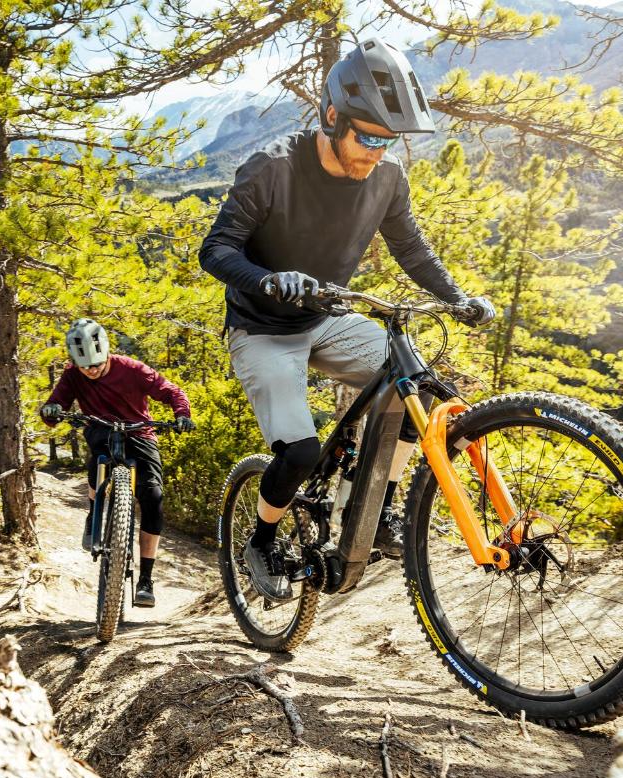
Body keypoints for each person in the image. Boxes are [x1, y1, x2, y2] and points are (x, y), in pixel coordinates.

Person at [198, 38, 496, 602]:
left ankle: (373, 505)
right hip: (262, 328)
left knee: (417, 393)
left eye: (388, 142)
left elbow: (413, 251)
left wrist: (459, 296)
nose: (375, 153)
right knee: (302, 453)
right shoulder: (272, 168)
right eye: (366, 137)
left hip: (326, 321)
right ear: (332, 116)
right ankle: (260, 539)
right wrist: (268, 279)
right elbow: (215, 250)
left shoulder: (387, 181)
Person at [40, 318, 194, 608]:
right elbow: (54, 407)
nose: (91, 371)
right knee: (99, 454)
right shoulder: (73, 375)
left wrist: (181, 414)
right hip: (101, 429)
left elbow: (172, 391)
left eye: (96, 364)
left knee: (153, 497)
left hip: (140, 433)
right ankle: (93, 515)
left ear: (107, 353)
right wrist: (52, 409)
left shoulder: (133, 369)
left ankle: (146, 580)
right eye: (85, 366)